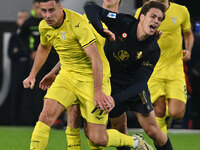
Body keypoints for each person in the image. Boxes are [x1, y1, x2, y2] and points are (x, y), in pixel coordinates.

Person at [23, 0, 150, 150]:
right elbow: (44, 46)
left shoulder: (78, 24)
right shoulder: (44, 26)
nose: (47, 15)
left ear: (60, 7)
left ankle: (135, 142)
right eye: (44, 11)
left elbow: (95, 59)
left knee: (97, 138)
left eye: (51, 10)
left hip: (92, 79)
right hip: (68, 76)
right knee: (45, 117)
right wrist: (34, 74)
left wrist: (98, 91)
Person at [84, 1, 174, 150]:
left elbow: (140, 84)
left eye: (160, 19)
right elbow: (90, 8)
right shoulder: (123, 21)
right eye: (153, 16)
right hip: (112, 84)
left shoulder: (153, 49)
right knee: (119, 129)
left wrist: (115, 99)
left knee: (153, 131)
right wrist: (101, 30)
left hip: (134, 88)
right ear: (142, 17)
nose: (156, 21)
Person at [135, 0, 194, 134]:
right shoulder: (142, 11)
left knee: (177, 113)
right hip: (153, 70)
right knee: (159, 110)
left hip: (175, 70)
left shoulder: (181, 10)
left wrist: (188, 50)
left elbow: (188, 34)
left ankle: (165, 123)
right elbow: (136, 36)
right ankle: (163, 143)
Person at [20, 0, 59, 125]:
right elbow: (22, 39)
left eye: (50, 10)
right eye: (41, 9)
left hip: (55, 61)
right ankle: (38, 121)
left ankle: (56, 121)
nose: (45, 13)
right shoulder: (31, 23)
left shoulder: (53, 22)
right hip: (39, 61)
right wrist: (29, 52)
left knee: (57, 91)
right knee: (38, 91)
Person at [8, 10, 29, 125]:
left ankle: (33, 121)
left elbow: (32, 51)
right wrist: (25, 52)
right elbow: (11, 54)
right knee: (16, 95)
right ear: (17, 20)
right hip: (17, 70)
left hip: (30, 68)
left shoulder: (31, 35)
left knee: (32, 96)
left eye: (26, 18)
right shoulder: (14, 36)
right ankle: (14, 122)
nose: (23, 20)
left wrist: (20, 51)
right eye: (21, 17)